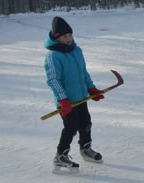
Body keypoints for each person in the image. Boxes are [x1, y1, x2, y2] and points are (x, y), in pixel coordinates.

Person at [44, 16, 105, 173]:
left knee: (86, 123)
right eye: (65, 36)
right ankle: (60, 157)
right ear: (57, 37)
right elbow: (53, 80)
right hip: (67, 101)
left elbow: (83, 73)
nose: (69, 38)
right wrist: (62, 99)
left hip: (81, 97)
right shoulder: (53, 56)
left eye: (70, 35)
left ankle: (86, 149)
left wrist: (91, 89)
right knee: (70, 127)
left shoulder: (76, 51)